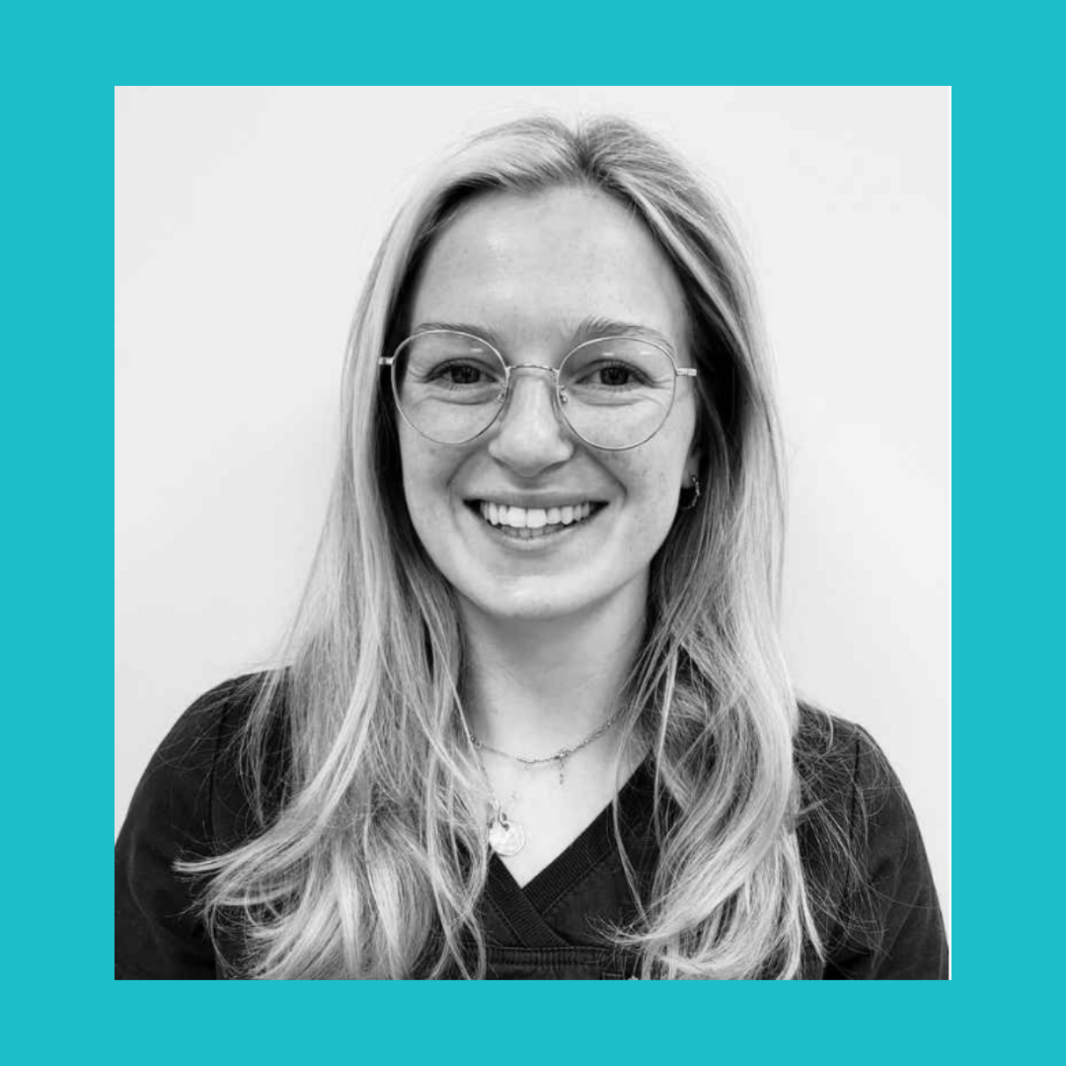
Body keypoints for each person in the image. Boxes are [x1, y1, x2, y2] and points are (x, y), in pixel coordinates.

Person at [115, 115, 948, 980]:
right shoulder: (226, 782)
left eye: (612, 373)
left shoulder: (835, 819)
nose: (528, 441)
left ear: (705, 435)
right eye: (463, 371)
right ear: (389, 420)